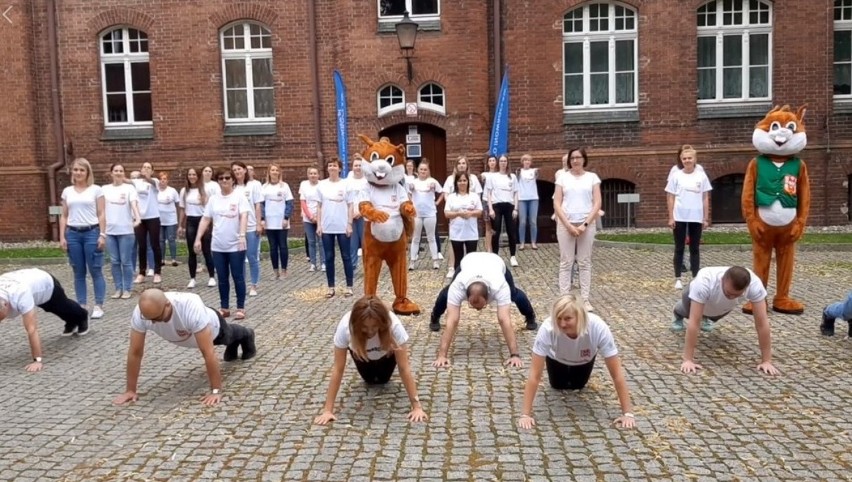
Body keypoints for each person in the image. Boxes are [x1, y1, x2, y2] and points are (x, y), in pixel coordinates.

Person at [112, 288, 256, 407]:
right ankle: (233, 346)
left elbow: (208, 353)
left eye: (157, 318)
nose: (153, 323)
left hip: (213, 328)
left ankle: (248, 334)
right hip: (186, 336)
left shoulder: (190, 306)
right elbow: (135, 352)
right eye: (149, 319)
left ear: (168, 305)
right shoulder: (142, 312)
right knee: (229, 344)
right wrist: (130, 390)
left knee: (229, 335)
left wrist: (216, 390)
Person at [518, 294, 635, 430]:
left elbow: (616, 374)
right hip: (556, 359)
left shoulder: (599, 327)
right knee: (557, 385)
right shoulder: (547, 328)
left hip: (584, 360)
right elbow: (534, 374)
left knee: (578, 385)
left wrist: (628, 413)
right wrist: (525, 415)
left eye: (568, 318)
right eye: (559, 318)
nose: (562, 324)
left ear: (579, 317)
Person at [313, 296, 428, 425]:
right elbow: (338, 369)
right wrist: (327, 410)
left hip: (387, 356)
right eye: (365, 327)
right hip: (362, 357)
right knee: (370, 380)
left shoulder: (394, 325)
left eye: (374, 326)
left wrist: (417, 407)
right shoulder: (345, 326)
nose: (370, 331)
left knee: (383, 380)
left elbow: (404, 367)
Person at [673, 266, 779, 376]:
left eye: (737, 295)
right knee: (689, 313)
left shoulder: (755, 285)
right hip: (692, 295)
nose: (732, 296)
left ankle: (707, 317)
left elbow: (762, 323)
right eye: (729, 293)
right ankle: (677, 313)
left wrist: (766, 361)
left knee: (714, 315)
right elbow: (694, 322)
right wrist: (688, 360)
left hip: (719, 305)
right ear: (722, 280)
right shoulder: (704, 281)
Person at [430, 251, 537, 359]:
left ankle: (530, 316)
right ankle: (435, 316)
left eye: (481, 306)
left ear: (489, 297)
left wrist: (515, 355)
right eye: (473, 306)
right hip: (469, 261)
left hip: (495, 263)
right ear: (466, 294)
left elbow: (504, 320)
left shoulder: (500, 286)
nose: (477, 310)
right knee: (447, 293)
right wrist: (442, 356)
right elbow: (452, 320)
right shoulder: (458, 286)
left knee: (513, 294)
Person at [0, 268, 90, 371]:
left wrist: (37, 361)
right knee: (52, 308)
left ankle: (82, 316)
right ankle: (71, 321)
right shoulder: (8, 299)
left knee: (61, 306)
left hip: (46, 283)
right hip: (26, 280)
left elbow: (32, 330)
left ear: (6, 304)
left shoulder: (21, 295)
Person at [195, 167, 250, 320]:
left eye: (227, 178)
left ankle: (241, 307)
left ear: (233, 180)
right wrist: (198, 237)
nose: (224, 181)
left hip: (236, 244)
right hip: (218, 244)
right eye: (221, 178)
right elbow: (206, 218)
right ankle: (224, 307)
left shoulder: (239, 197)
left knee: (238, 276)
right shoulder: (214, 199)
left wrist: (242, 235)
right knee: (222, 277)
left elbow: (244, 216)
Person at [553, 148, 601, 312]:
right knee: (566, 261)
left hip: (586, 223)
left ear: (584, 159)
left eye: (578, 157)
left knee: (584, 261)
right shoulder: (562, 178)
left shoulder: (592, 178)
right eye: (572, 158)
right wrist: (568, 225)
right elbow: (557, 203)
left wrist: (584, 225)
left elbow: (597, 203)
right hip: (566, 223)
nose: (575, 161)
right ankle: (564, 297)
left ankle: (585, 299)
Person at [59, 157, 107, 320]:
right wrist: (62, 237)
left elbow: (101, 213)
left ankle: (99, 305)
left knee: (95, 270)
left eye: (82, 170)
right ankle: (81, 305)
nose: (78, 173)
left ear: (87, 172)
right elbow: (64, 216)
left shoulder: (96, 190)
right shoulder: (67, 191)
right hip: (73, 234)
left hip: (91, 233)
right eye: (76, 170)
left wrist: (102, 234)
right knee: (78, 272)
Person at [666, 145, 712, 290]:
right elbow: (670, 196)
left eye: (689, 158)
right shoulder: (676, 175)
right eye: (684, 158)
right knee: (679, 247)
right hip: (680, 215)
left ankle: (695, 277)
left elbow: (705, 197)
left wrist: (705, 217)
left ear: (695, 159)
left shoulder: (701, 175)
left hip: (696, 216)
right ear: (681, 159)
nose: (687, 161)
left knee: (695, 248)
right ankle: (678, 277)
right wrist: (671, 217)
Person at [102, 163, 142, 300]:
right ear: (111, 173)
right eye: (116, 170)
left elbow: (134, 204)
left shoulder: (129, 188)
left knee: (126, 261)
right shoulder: (104, 189)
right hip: (110, 230)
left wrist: (137, 218)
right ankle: (118, 288)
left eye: (121, 171)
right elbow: (100, 209)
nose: (118, 173)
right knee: (114, 261)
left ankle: (127, 288)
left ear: (124, 173)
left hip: (125, 229)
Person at [316, 159, 354, 299]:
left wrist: (349, 224)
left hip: (342, 225)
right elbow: (319, 206)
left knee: (346, 256)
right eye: (330, 165)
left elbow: (350, 205)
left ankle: (349, 286)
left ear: (340, 169)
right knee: (329, 256)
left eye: (335, 166)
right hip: (327, 226)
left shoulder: (345, 184)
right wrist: (319, 225)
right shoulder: (321, 185)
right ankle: (331, 287)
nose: (332, 168)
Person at [443, 156, 483, 278]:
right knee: (458, 258)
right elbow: (446, 213)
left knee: (471, 257)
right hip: (457, 233)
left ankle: (471, 278)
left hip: (471, 233)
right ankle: (458, 279)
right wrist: (459, 214)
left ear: (468, 182)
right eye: (460, 181)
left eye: (464, 181)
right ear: (456, 183)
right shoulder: (451, 197)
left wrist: (471, 213)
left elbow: (480, 211)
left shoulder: (474, 196)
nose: (462, 183)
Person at [179, 167, 216, 289]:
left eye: (194, 174)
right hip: (191, 221)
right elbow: (183, 209)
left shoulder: (204, 190)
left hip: (203, 220)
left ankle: (211, 276)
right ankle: (192, 278)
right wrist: (180, 225)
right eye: (189, 174)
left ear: (198, 176)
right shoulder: (184, 191)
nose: (192, 177)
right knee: (192, 251)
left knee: (206, 250)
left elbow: (210, 209)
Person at [232, 161, 263, 297]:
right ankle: (241, 284)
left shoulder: (253, 185)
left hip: (251, 226)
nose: (237, 172)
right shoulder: (232, 187)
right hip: (235, 228)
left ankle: (254, 284)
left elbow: (257, 205)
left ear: (245, 170)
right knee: (239, 258)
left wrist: (258, 223)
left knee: (251, 256)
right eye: (234, 170)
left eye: (239, 169)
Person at [408, 160, 443, 270]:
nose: (423, 171)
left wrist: (437, 202)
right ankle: (412, 261)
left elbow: (442, 192)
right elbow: (408, 194)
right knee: (415, 238)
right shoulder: (413, 182)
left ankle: (435, 260)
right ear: (417, 170)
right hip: (417, 214)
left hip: (430, 214)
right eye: (421, 169)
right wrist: (411, 203)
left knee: (431, 237)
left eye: (425, 169)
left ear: (428, 171)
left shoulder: (432, 181)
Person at [262, 163, 294, 280]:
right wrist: (262, 219)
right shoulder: (264, 187)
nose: (274, 172)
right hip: (269, 221)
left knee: (283, 246)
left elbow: (289, 203)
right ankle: (275, 271)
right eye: (272, 170)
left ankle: (284, 270)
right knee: (272, 247)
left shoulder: (284, 186)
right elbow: (261, 204)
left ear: (279, 172)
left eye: (276, 170)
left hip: (281, 221)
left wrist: (286, 217)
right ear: (269, 172)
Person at [487, 155, 520, 266]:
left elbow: (516, 193)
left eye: (505, 161)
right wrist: (490, 209)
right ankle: (495, 256)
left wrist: (516, 208)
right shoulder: (493, 177)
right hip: (496, 205)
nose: (503, 163)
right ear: (498, 163)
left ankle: (513, 256)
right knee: (496, 232)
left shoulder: (513, 177)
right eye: (501, 161)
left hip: (509, 205)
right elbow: (489, 193)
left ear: (507, 162)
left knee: (511, 232)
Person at [132, 162, 162, 284]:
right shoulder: (136, 182)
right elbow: (126, 181)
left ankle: (157, 272)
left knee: (155, 245)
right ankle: (141, 272)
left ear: (152, 171)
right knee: (142, 245)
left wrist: (146, 177)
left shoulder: (155, 181)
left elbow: (152, 182)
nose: (146, 169)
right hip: (139, 217)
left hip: (153, 216)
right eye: (144, 167)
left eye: (148, 168)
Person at [299, 166, 325, 273]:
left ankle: (323, 263)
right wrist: (310, 216)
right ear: (308, 175)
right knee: (311, 241)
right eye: (311, 173)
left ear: (318, 175)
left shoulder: (322, 185)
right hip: (308, 217)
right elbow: (303, 202)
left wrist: (317, 217)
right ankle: (313, 264)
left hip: (320, 217)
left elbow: (324, 202)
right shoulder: (304, 185)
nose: (313, 175)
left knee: (321, 241)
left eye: (315, 173)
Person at [157, 171, 181, 267]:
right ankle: (162, 259)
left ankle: (173, 259)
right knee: (161, 240)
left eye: (164, 179)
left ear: (167, 181)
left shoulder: (172, 191)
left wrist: (178, 218)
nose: (162, 181)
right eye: (161, 179)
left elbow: (178, 204)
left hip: (171, 219)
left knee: (171, 239)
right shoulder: (156, 190)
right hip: (159, 220)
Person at [516, 154, 540, 251]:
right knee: (522, 221)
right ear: (522, 162)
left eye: (528, 160)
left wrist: (537, 172)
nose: (527, 162)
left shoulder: (533, 171)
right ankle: (522, 242)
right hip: (522, 198)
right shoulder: (519, 171)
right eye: (525, 160)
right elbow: (516, 180)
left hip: (533, 198)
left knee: (533, 221)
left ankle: (533, 242)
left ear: (530, 162)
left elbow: (537, 175)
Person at [480, 155, 499, 256]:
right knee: (488, 226)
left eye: (493, 160)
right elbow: (482, 179)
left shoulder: (499, 175)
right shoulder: (485, 174)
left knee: (495, 227)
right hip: (486, 201)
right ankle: (488, 249)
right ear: (488, 163)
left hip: (496, 202)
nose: (492, 162)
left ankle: (494, 247)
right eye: (490, 161)